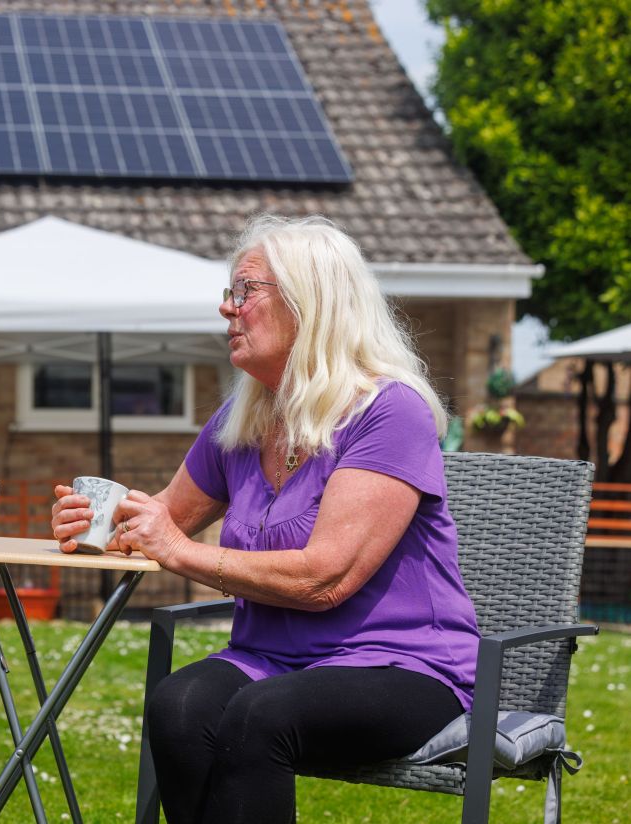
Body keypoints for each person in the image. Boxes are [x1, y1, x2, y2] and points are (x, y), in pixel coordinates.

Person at [50, 215, 480, 823]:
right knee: (179, 704)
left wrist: (178, 550)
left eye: (245, 291)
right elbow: (159, 522)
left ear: (312, 303)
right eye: (231, 292)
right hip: (271, 659)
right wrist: (95, 520)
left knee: (261, 715)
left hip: (401, 665)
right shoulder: (244, 419)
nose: (228, 309)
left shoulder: (390, 412)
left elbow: (325, 578)